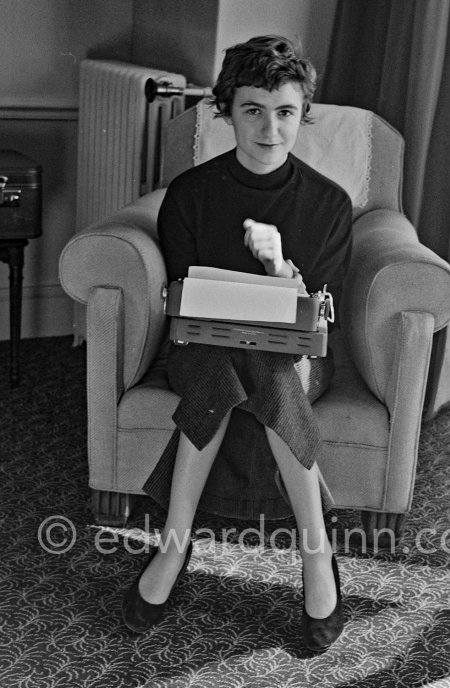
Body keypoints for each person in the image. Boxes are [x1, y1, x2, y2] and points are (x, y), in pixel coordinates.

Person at [122, 35, 353, 652]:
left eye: (285, 111)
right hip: (203, 349)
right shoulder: (191, 194)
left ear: (303, 113)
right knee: (224, 365)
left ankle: (179, 544)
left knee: (271, 367)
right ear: (226, 110)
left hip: (297, 358)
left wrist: (280, 272)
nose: (270, 128)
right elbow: (182, 299)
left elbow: (319, 319)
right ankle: (313, 549)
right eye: (253, 109)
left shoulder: (329, 204)